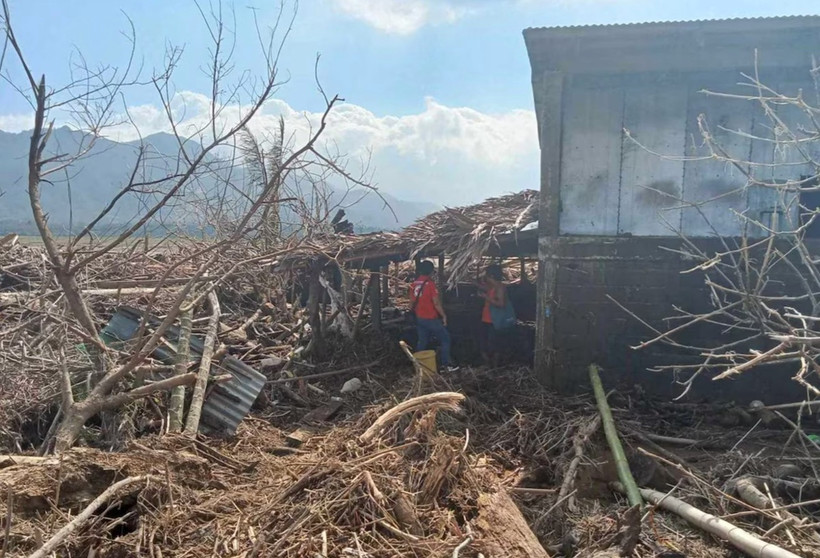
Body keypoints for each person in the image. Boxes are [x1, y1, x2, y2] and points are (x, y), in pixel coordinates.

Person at [409, 261, 459, 372]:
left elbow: (412, 302)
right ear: (431, 271)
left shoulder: (414, 284)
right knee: (445, 339)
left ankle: (417, 365)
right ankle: (446, 365)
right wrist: (443, 315)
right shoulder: (430, 285)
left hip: (419, 318)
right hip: (431, 318)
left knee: (422, 340)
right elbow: (436, 303)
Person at [478, 264, 515, 366]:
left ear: (492, 276)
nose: (485, 277)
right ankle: (489, 365)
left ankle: (494, 367)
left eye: (487, 275)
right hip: (487, 320)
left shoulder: (500, 287)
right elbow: (483, 287)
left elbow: (501, 304)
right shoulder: (492, 287)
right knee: (485, 343)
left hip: (494, 321)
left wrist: (486, 297)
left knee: (494, 345)